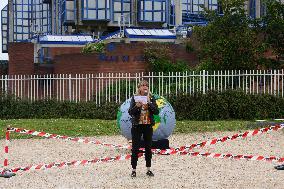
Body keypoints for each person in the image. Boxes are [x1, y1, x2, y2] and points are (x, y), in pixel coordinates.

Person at [128, 80, 159, 177]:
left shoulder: (152, 97)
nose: (145, 87)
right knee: (135, 148)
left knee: (148, 148)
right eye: (142, 85)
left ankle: (148, 169)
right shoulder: (135, 98)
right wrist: (137, 106)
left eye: (146, 85)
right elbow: (130, 112)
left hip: (148, 126)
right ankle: (134, 170)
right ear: (139, 88)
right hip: (137, 126)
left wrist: (149, 102)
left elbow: (156, 111)